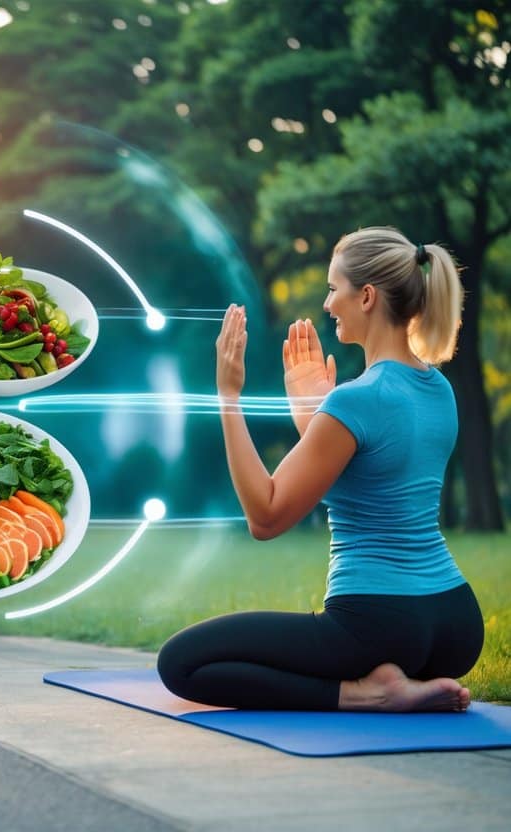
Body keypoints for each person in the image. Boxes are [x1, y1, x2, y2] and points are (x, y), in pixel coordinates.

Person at [157, 226, 484, 712]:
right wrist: (314, 415)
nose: (328, 304)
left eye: (334, 289)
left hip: (376, 624)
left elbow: (265, 518)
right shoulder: (438, 389)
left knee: (181, 663)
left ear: (367, 296)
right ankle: (400, 682)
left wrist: (228, 397)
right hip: (455, 623)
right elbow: (373, 472)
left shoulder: (356, 399)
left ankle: (366, 694)